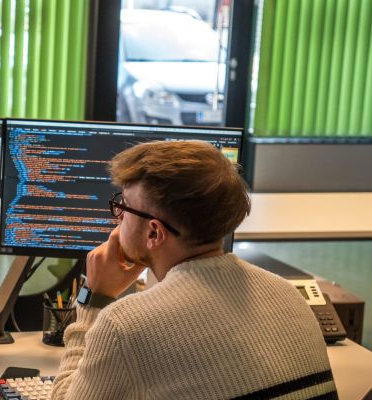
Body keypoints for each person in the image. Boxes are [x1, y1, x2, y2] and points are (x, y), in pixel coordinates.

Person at [51, 141, 335, 399]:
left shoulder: (125, 326)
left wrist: (94, 299)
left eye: (124, 205)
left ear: (154, 233)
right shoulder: (287, 294)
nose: (119, 216)